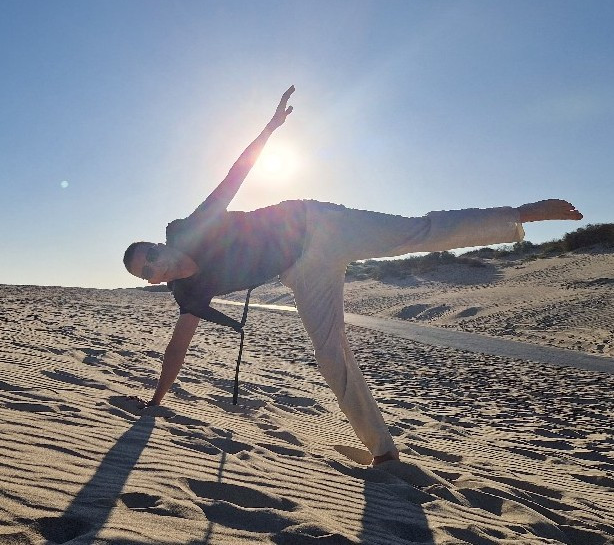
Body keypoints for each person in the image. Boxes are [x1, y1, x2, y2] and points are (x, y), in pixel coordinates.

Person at [123, 86, 583, 465]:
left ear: (161, 244)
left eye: (152, 253)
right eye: (148, 269)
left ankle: (519, 215)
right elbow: (177, 348)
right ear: (152, 280)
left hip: (318, 224)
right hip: (301, 270)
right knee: (331, 354)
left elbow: (235, 177)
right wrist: (156, 399)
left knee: (414, 232)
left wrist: (270, 127)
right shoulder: (189, 292)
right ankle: (383, 450)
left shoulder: (193, 228)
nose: (157, 263)